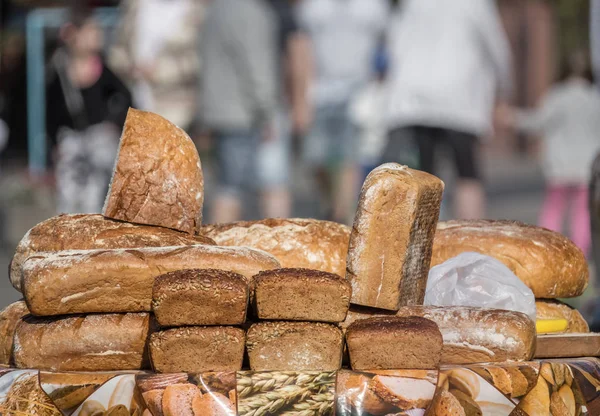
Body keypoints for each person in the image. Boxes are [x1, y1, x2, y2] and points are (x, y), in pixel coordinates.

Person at [383, 0, 512, 220]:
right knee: (467, 173)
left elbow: (394, 39)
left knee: (423, 176)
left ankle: (423, 241)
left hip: (415, 96)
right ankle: (467, 241)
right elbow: (496, 46)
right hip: (460, 96)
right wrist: (504, 89)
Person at [499, 51, 600, 257]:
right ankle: (579, 255)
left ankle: (549, 250)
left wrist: (512, 118)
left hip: (560, 167)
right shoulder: (595, 98)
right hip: (586, 168)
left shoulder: (557, 95)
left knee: (553, 210)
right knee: (582, 213)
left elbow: (538, 121)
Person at [298, 0, 389, 223]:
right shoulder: (312, 6)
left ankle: (344, 218)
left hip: (359, 92)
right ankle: (330, 203)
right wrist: (301, 96)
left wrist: (380, 86)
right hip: (320, 92)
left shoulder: (374, 6)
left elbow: (387, 41)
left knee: (351, 158)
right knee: (315, 160)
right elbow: (302, 46)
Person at [46, 4, 132, 214]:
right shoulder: (59, 68)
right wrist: (53, 143)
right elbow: (51, 111)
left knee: (97, 193)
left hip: (100, 141)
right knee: (69, 196)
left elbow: (126, 98)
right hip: (71, 141)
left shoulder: (103, 68)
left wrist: (113, 123)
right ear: (73, 35)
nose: (98, 35)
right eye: (91, 31)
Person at [200, 0, 278, 223]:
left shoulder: (215, 9)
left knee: (225, 183)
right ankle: (223, 250)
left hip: (216, 111)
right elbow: (257, 66)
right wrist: (267, 112)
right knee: (234, 188)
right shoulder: (251, 12)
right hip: (242, 114)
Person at [109, 0, 204, 130]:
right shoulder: (134, 6)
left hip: (177, 112)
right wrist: (130, 67)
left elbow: (200, 61)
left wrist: (161, 71)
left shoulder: (195, 11)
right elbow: (117, 51)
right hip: (135, 105)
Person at [256, 0, 313, 219]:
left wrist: (299, 103)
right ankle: (273, 235)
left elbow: (296, 57)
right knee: (273, 180)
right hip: (270, 104)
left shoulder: (277, 11)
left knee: (271, 179)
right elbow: (297, 56)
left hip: (267, 105)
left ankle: (271, 234)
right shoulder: (281, 11)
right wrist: (300, 103)